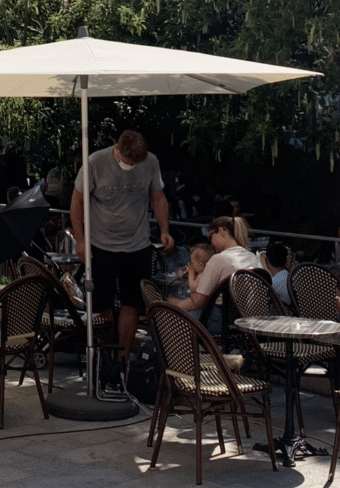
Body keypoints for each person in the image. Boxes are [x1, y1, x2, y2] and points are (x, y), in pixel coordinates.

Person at [71, 129, 174, 367]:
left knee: (132, 303)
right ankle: (106, 357)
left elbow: (158, 197)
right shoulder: (95, 162)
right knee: (102, 304)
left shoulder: (150, 162)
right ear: (117, 149)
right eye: (128, 162)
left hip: (138, 244)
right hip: (101, 244)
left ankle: (123, 359)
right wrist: (80, 239)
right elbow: (77, 201)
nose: (131, 166)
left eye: (135, 163)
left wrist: (165, 230)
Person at [170, 216, 259, 313]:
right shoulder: (253, 257)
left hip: (219, 318)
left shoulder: (218, 259)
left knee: (168, 308)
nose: (211, 244)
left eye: (210, 237)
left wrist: (171, 308)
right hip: (246, 317)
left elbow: (197, 302)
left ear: (220, 231)